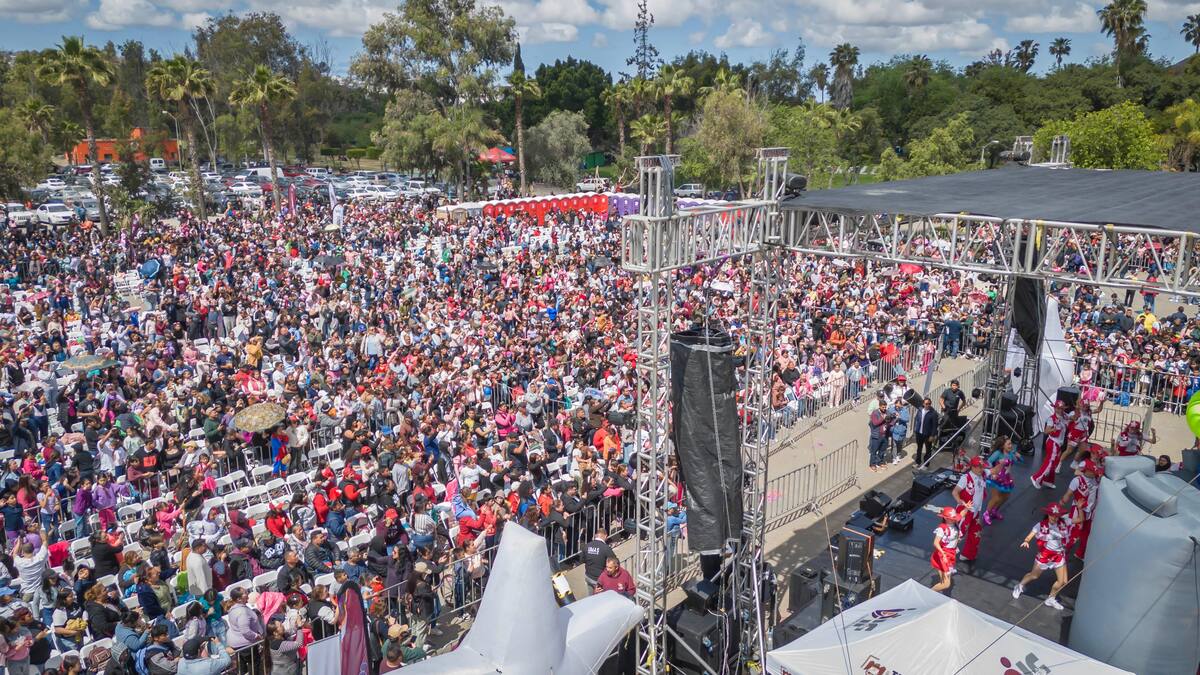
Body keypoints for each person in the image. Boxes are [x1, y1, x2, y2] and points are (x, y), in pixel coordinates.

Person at [1012, 503, 1077, 610]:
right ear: (1048, 514)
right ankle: (1019, 586)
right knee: (1034, 575)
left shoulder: (1064, 521)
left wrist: (1079, 507)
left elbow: (1080, 519)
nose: (1054, 518)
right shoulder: (1040, 525)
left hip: (1058, 555)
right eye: (1052, 515)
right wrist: (1026, 541)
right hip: (1045, 555)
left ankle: (1051, 599)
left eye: (1056, 516)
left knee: (1063, 582)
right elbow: (1030, 535)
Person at [951, 456, 987, 568]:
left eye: (982, 467)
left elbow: (994, 471)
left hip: (975, 512)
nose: (981, 469)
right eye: (978, 467)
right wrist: (961, 502)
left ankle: (967, 554)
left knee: (975, 534)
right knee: (959, 534)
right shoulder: (965, 478)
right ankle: (947, 556)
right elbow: (955, 492)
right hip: (965, 511)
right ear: (972, 467)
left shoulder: (982, 476)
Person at [1031, 400, 1069, 490]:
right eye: (1058, 408)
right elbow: (1046, 431)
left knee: (1054, 463)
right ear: (1055, 408)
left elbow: (1073, 418)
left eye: (1061, 408)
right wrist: (1053, 429)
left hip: (1058, 444)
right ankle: (1036, 478)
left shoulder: (1065, 416)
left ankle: (1048, 480)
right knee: (1050, 463)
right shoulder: (1051, 419)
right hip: (1053, 443)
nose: (1060, 410)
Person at [983, 436, 1018, 526]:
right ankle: (986, 513)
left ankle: (994, 511)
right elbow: (988, 462)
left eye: (1011, 443)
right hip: (996, 478)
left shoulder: (1010, 453)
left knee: (1006, 496)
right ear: (1003, 446)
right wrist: (993, 472)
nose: (1011, 445)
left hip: (1006, 478)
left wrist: (1016, 455)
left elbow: (1015, 461)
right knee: (996, 497)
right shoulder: (998, 453)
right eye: (1009, 444)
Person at [930, 506, 961, 593]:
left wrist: (966, 508)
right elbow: (936, 542)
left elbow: (962, 514)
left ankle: (931, 593)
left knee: (945, 582)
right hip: (943, 556)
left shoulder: (955, 525)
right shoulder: (942, 528)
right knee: (946, 584)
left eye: (953, 518)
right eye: (950, 518)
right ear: (945, 518)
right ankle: (928, 593)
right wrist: (943, 553)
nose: (953, 519)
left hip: (950, 554)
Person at [912, 397, 938, 466]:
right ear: (923, 404)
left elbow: (935, 425)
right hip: (919, 433)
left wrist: (932, 435)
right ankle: (918, 462)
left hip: (928, 435)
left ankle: (926, 464)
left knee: (928, 450)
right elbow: (917, 419)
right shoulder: (920, 410)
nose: (928, 405)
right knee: (919, 449)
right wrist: (915, 430)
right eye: (926, 404)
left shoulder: (933, 413)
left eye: (929, 404)